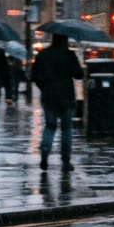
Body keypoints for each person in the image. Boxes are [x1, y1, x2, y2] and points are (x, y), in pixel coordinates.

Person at [30, 33, 85, 170]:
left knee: (50, 126)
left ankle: (45, 153)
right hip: (66, 96)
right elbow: (79, 74)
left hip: (49, 97)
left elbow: (35, 75)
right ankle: (66, 160)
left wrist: (45, 87)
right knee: (66, 129)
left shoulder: (43, 54)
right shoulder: (69, 55)